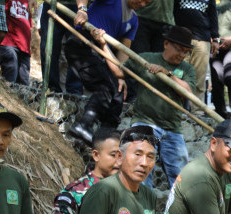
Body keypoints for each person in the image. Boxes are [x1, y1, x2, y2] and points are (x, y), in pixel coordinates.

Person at [66, 0, 151, 145]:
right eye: (142, 0)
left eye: (147, 3)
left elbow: (123, 51)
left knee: (117, 95)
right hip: (83, 42)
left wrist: (121, 77)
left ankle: (104, 141)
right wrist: (82, 10)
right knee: (105, 85)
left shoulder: (134, 20)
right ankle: (84, 124)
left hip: (102, 53)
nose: (142, 4)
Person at [121, 26, 196, 188]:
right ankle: (142, 211)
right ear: (166, 43)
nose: (182, 55)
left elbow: (188, 92)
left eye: (186, 51)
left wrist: (168, 74)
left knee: (182, 181)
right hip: (144, 123)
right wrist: (103, 45)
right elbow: (120, 71)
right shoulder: (146, 59)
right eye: (179, 49)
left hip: (172, 129)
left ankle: (178, 213)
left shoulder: (187, 69)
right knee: (141, 174)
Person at [173, 0, 218, 104]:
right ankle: (175, 108)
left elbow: (213, 16)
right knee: (177, 75)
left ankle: (197, 112)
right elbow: (173, 12)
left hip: (202, 39)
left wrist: (215, 39)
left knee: (199, 78)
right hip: (180, 39)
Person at [39, 0, 82, 94]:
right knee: (47, 48)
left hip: (75, 7)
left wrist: (82, 8)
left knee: (76, 49)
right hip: (51, 4)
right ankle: (51, 90)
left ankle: (74, 93)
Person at [0, 0, 32, 85]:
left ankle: (22, 97)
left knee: (24, 81)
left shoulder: (29, 2)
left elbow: (28, 24)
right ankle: (7, 95)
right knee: (10, 75)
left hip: (25, 47)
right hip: (8, 43)